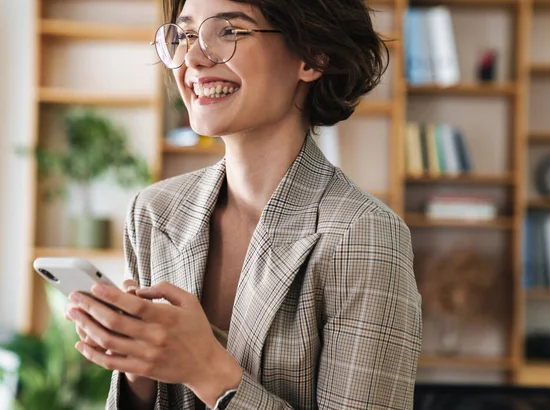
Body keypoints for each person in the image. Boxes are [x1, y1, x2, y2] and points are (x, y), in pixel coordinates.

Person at [65, 0, 422, 408]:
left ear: (312, 56)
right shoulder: (154, 213)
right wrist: (140, 368)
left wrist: (208, 371)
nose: (194, 59)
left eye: (229, 32)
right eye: (184, 36)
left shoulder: (365, 236)